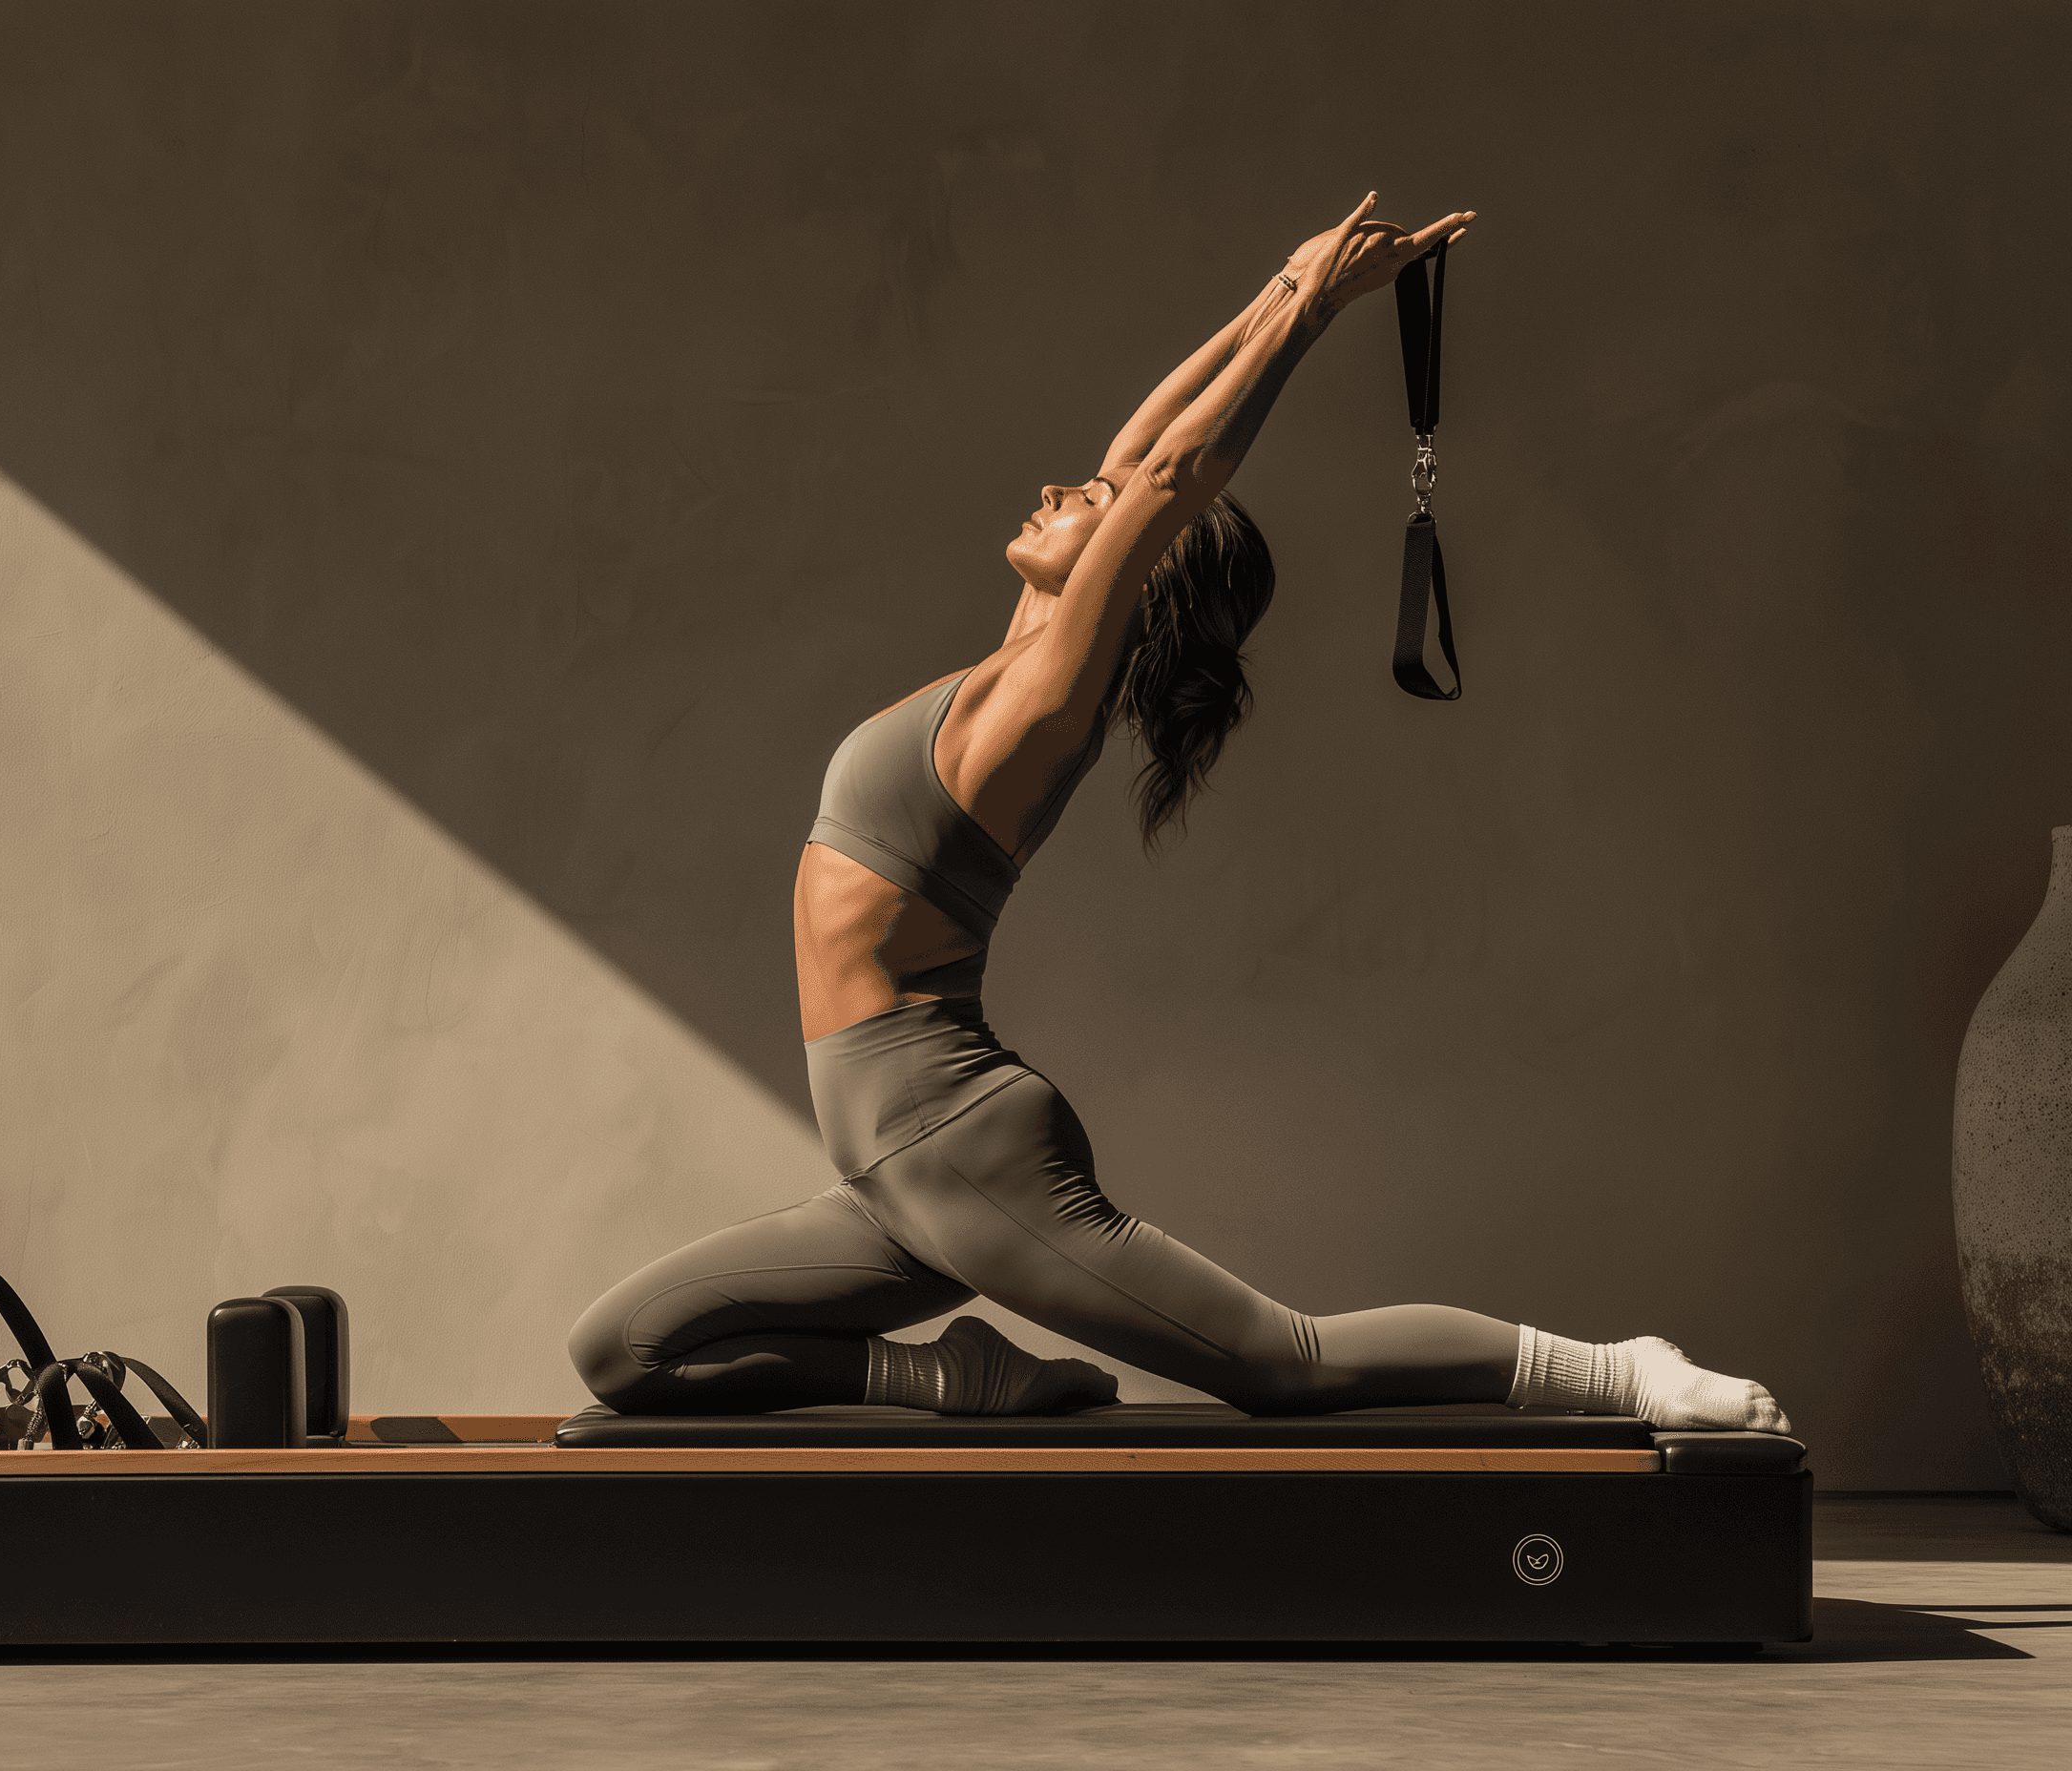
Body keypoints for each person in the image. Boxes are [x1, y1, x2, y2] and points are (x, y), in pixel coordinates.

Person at [570, 196, 1790, 1433]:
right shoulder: (1021, 652)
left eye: (1091, 506)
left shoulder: (1046, 704)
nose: (1061, 487)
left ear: (1136, 573)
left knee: (1284, 1364)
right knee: (625, 1353)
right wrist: (1278, 282)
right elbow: (1140, 448)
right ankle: (953, 1376)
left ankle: (1625, 1371)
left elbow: (1171, 470)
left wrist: (1314, 311)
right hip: (885, 1178)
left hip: (954, 1145)